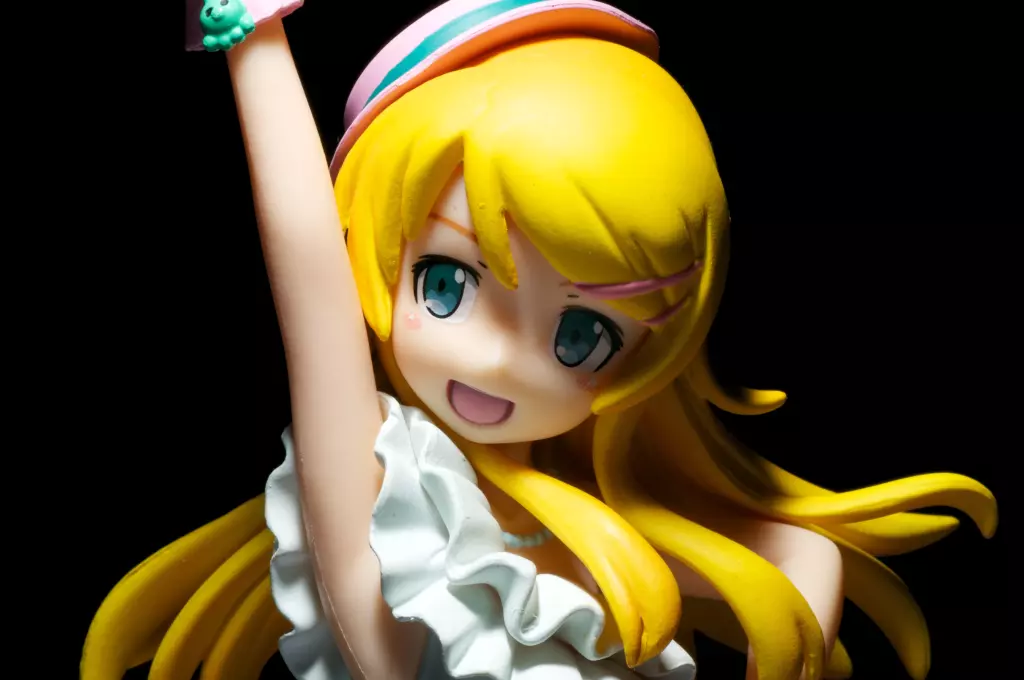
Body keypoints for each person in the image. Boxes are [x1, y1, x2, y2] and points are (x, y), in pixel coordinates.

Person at [82, 2, 999, 679]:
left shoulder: (580, 548)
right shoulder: (382, 492)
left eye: (583, 335)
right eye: (447, 284)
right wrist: (254, 43)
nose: (496, 361)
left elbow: (801, 556)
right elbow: (310, 271)